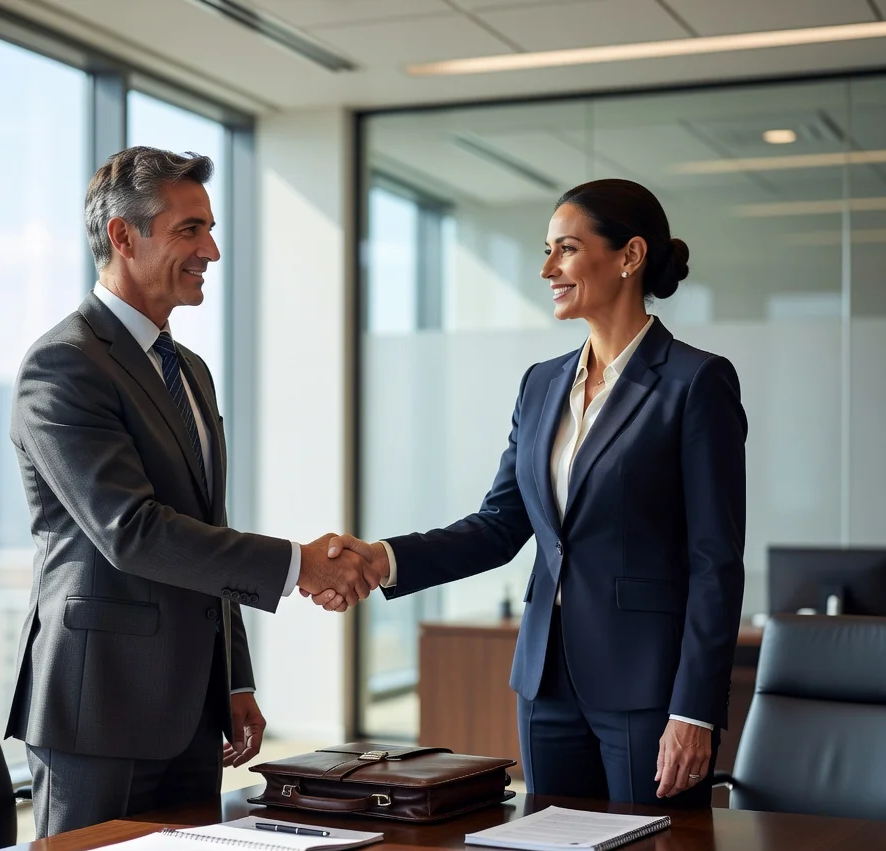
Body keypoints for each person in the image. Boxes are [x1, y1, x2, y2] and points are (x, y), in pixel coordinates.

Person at [318, 179, 747, 809]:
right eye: (547, 251)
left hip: (648, 688)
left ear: (629, 256)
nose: (547, 269)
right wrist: (383, 559)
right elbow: (499, 524)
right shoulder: (542, 385)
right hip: (546, 683)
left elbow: (716, 563)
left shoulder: (695, 382)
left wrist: (695, 712)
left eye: (566, 249)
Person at [7, 146, 376, 838]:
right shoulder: (64, 365)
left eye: (210, 229)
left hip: (192, 711)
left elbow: (207, 525)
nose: (211, 250)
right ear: (123, 236)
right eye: (190, 230)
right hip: (100, 708)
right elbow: (132, 531)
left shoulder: (190, 371)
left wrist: (234, 677)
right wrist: (299, 564)